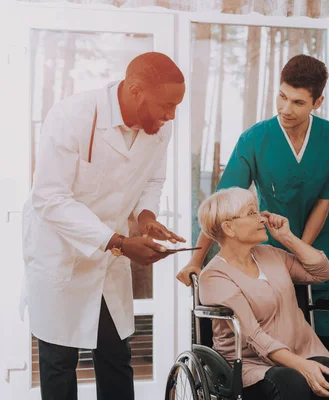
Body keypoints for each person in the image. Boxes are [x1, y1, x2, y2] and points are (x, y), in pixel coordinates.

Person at [21, 52, 186, 400]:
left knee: (115, 355)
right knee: (59, 362)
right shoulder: (73, 116)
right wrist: (120, 243)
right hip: (61, 253)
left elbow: (153, 179)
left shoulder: (160, 128)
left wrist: (147, 217)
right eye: (166, 105)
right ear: (136, 90)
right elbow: (49, 198)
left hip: (108, 258)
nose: (171, 115)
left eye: (176, 107)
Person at [178, 54, 329, 340]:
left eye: (298, 102)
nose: (286, 108)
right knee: (281, 344)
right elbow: (221, 204)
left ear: (317, 103)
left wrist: (299, 250)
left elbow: (324, 201)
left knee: (327, 345)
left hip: (321, 252)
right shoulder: (254, 139)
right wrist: (196, 260)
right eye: (282, 97)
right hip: (271, 262)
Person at [197, 187, 329, 400]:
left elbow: (323, 272)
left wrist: (287, 237)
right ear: (229, 228)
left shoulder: (271, 255)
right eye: (252, 213)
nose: (261, 218)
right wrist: (302, 367)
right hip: (249, 364)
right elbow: (252, 334)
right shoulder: (214, 276)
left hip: (302, 351)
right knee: (291, 382)